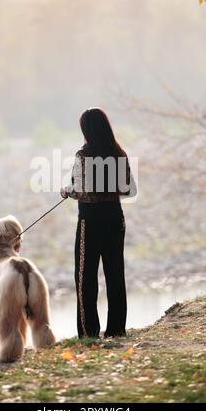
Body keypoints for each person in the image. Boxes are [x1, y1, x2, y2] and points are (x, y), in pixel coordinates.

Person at [61, 108, 136, 339]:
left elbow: (82, 190)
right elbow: (129, 189)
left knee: (85, 278)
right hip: (115, 219)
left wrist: (67, 191)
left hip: (90, 222)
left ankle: (88, 333)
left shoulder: (83, 155)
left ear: (87, 129)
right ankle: (116, 331)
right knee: (115, 275)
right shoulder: (119, 153)